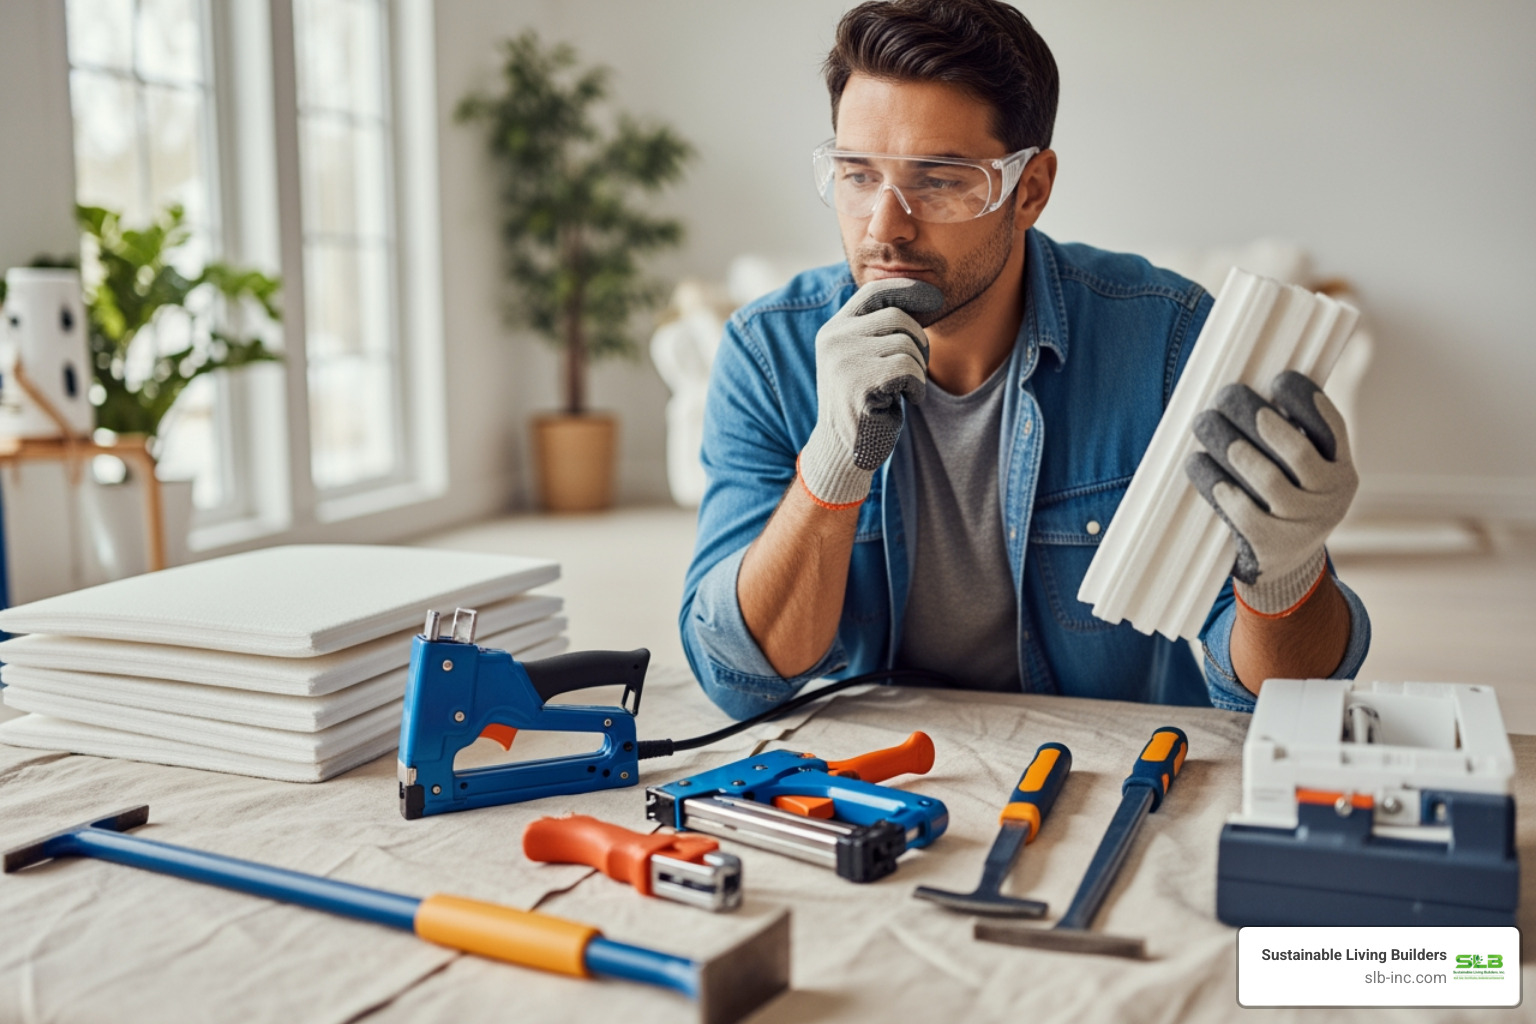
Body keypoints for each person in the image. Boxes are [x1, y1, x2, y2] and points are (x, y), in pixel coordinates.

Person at [680, 0, 1369, 720]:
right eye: (857, 176)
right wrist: (830, 471)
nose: (884, 227)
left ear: (1030, 189)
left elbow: (1283, 701)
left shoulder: (1170, 342)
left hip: (1110, 767)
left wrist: (1286, 576)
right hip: (875, 775)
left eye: (939, 179)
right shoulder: (766, 353)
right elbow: (740, 679)